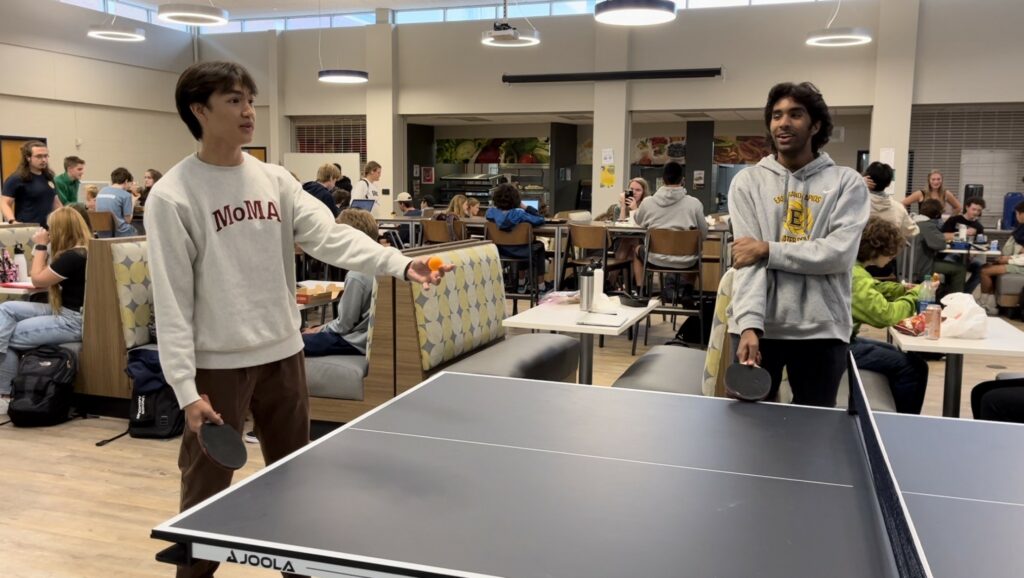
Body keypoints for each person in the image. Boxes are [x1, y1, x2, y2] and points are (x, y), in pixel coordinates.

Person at [146, 61, 450, 578]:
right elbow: (172, 302)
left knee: (295, 483)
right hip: (218, 367)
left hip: (285, 354)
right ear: (199, 110)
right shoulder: (172, 196)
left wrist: (399, 263)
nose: (248, 111)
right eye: (234, 101)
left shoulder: (275, 179)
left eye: (250, 99)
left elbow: (331, 235)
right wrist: (184, 388)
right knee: (205, 496)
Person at [728, 81, 869, 407]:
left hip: (822, 331)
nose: (783, 122)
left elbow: (838, 254)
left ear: (815, 124)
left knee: (815, 434)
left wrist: (768, 249)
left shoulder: (846, 183)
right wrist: (749, 325)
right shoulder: (747, 183)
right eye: (776, 115)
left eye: (795, 114)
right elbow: (747, 261)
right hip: (759, 329)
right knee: (749, 434)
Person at [0, 207, 91, 414]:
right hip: (66, 311)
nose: (46, 232)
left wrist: (41, 245)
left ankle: (5, 395)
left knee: (7, 334)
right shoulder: (84, 249)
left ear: (59, 230)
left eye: (49, 229)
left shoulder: (73, 257)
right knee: (5, 310)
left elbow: (38, 279)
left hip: (72, 320)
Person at [850, 217, 928, 414]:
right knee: (913, 368)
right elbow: (886, 316)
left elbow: (872, 288)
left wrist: (900, 290)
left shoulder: (853, 268)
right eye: (892, 252)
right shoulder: (856, 276)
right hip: (838, 348)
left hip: (842, 339)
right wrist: (914, 297)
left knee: (904, 356)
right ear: (879, 249)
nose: (893, 257)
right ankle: (904, 423)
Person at [302, 209, 382, 356]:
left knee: (297, 342)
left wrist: (316, 330)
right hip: (369, 338)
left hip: (355, 342)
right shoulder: (382, 261)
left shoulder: (357, 274)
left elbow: (344, 325)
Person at [631, 163, 706, 294]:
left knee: (636, 250)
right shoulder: (694, 204)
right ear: (682, 180)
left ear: (663, 179)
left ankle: (640, 292)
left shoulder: (648, 202)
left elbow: (639, 221)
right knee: (696, 250)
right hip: (686, 260)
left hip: (655, 258)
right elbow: (703, 235)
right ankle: (688, 290)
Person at [485, 183, 548, 294]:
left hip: (501, 251)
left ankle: (521, 284)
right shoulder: (520, 214)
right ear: (516, 200)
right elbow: (540, 219)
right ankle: (541, 286)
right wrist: (526, 207)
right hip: (522, 252)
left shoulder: (491, 213)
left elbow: (490, 215)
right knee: (535, 247)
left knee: (524, 246)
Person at [977, 200, 1024, 315]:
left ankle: (984, 303)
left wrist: (1007, 259)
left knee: (985, 271)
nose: (1016, 217)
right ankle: (991, 304)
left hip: (1020, 266)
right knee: (986, 266)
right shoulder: (1020, 229)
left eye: (1017, 214)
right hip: (1015, 261)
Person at [912, 198, 966, 295]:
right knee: (959, 269)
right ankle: (955, 301)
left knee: (950, 264)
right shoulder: (927, 225)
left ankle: (945, 293)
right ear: (937, 214)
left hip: (910, 264)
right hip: (922, 266)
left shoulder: (913, 222)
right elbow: (940, 245)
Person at [2, 141, 61, 226]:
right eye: (39, 156)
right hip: (28, 228)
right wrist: (12, 221)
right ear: (28, 158)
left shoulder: (48, 177)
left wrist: (65, 220)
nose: (44, 160)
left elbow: (56, 203)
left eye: (45, 156)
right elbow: (4, 203)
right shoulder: (16, 178)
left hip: (50, 228)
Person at [94, 167, 136, 237]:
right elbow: (128, 220)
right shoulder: (126, 195)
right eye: (130, 183)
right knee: (137, 229)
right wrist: (133, 201)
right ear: (126, 181)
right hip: (119, 232)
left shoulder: (101, 191)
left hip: (102, 233)